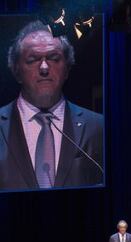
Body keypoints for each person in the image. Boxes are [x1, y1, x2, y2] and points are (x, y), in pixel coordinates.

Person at [0, 20, 103, 191]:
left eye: (54, 58)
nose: (44, 68)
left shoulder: (98, 127)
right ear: (16, 70)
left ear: (67, 69)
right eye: (33, 60)